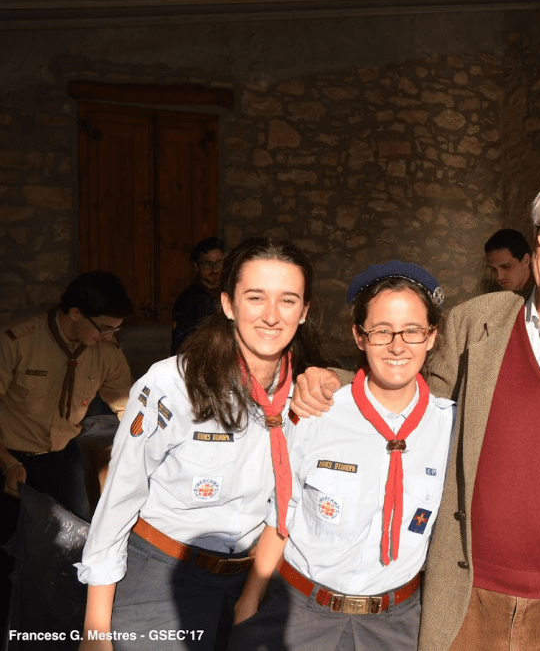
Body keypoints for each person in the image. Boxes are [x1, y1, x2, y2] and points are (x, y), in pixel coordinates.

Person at [294, 171, 540, 651]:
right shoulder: (475, 324)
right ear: (535, 238)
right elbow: (406, 394)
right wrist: (330, 377)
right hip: (464, 599)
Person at [76, 237, 329, 651]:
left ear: (304, 312)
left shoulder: (306, 395)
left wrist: (251, 600)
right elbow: (119, 497)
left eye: (287, 301)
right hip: (161, 577)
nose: (270, 316)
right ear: (228, 304)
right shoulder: (172, 384)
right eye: (255, 297)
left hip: (252, 581)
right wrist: (96, 629)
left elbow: (289, 500)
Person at [229, 261, 454, 651]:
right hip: (300, 614)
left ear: (431, 337)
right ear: (359, 336)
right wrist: (248, 605)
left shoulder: (450, 427)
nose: (397, 346)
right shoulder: (318, 411)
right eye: (381, 331)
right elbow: (282, 511)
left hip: (396, 626)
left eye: (413, 332)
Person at [1, 271, 133, 518]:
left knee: (73, 540)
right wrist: (8, 462)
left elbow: (127, 405)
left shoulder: (107, 351)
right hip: (9, 458)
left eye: (115, 330)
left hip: (62, 458)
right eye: (104, 328)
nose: (108, 336)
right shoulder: (16, 342)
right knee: (10, 545)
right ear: (75, 313)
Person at [171, 237, 224, 354]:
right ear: (196, 266)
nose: (214, 269)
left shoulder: (232, 293)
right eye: (208, 264)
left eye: (219, 263)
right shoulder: (188, 300)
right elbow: (181, 345)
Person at [484, 228, 533, 293]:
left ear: (526, 260)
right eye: (494, 269)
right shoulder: (500, 296)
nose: (499, 277)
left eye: (505, 267)